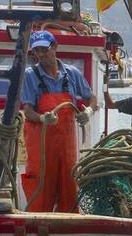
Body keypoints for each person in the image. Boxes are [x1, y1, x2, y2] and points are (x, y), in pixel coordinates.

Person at [20, 30, 95, 212]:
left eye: (44, 50)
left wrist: (89, 111)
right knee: (41, 189)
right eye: (36, 51)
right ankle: (38, 226)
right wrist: (42, 118)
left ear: (55, 47)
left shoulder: (72, 73)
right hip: (42, 145)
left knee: (69, 187)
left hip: (67, 145)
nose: (40, 55)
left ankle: (69, 224)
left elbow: (92, 98)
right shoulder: (30, 75)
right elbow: (27, 110)